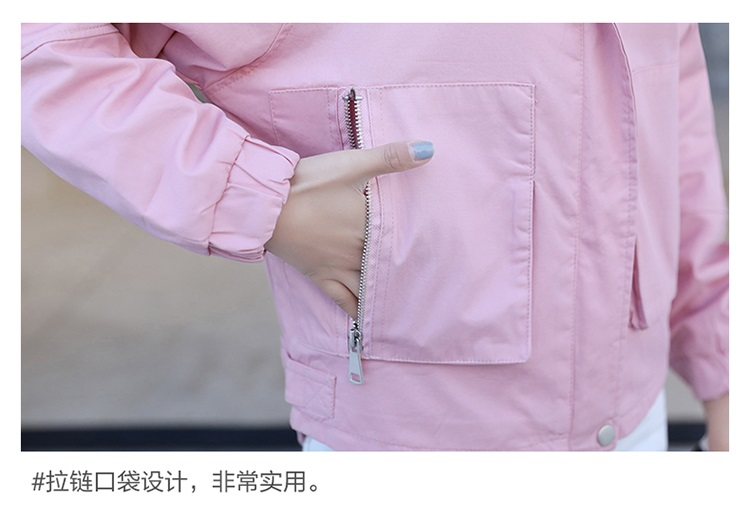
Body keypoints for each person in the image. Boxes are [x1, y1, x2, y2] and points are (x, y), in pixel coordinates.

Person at [21, 23, 729, 451]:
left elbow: (673, 120)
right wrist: (255, 197)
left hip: (633, 420)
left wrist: (724, 372)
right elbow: (40, 42)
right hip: (413, 442)